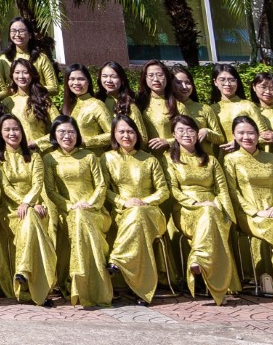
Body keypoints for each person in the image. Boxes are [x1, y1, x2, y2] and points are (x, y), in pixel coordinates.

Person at [224, 116, 273, 302]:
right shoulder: (231, 160)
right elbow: (232, 192)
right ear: (233, 136)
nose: (246, 137)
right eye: (241, 133)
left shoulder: (271, 158)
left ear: (258, 135)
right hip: (249, 215)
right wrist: (256, 212)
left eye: (251, 133)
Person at [165, 115, 236, 305]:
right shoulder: (169, 160)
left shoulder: (211, 160)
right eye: (181, 130)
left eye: (190, 130)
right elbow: (173, 190)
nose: (186, 134)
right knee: (208, 214)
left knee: (212, 215)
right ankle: (212, 279)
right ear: (173, 135)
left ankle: (199, 261)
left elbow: (222, 189)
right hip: (185, 209)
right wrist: (195, 203)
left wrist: (223, 210)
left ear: (197, 134)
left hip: (213, 206)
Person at [45, 116, 112, 308]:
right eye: (62, 132)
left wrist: (89, 204)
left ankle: (84, 284)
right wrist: (69, 206)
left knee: (81, 217)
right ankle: (78, 284)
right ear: (54, 135)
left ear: (77, 134)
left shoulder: (89, 156)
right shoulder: (49, 159)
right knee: (77, 217)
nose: (67, 136)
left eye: (71, 132)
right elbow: (51, 191)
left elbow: (101, 185)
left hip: (94, 211)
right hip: (67, 212)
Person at [104, 115, 167, 305]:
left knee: (139, 215)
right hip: (122, 213)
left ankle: (118, 258)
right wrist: (124, 202)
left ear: (137, 135)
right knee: (137, 222)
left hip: (151, 212)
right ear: (114, 134)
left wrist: (143, 202)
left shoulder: (150, 160)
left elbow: (163, 191)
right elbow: (104, 189)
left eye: (130, 131)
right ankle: (142, 290)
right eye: (121, 131)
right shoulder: (107, 158)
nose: (126, 136)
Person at [0, 114, 56, 306]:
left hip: (33, 205)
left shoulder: (34, 156)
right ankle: (33, 283)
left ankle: (23, 272)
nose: (12, 133)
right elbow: (5, 186)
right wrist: (25, 203)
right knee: (31, 215)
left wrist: (29, 203)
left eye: (16, 129)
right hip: (9, 210)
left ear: (22, 131)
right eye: (7, 130)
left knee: (31, 215)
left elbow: (37, 183)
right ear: (0, 133)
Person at [61, 64, 113, 151]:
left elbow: (112, 134)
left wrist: (84, 141)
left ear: (88, 81)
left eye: (81, 79)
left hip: (92, 156)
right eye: (72, 79)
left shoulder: (97, 105)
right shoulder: (68, 105)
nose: (76, 83)